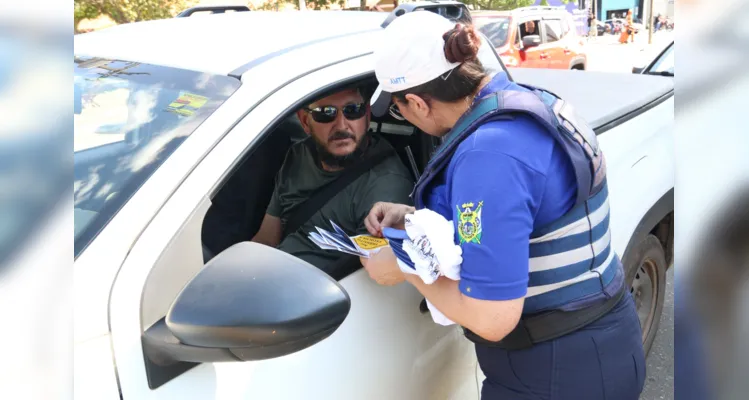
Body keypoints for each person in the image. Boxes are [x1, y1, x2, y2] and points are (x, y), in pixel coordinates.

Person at [361, 11, 645, 399]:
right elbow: (523, 214)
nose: (404, 116)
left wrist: (403, 267)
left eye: (399, 109)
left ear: (417, 102)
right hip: (597, 345)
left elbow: (491, 318)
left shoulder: (488, 156)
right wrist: (412, 215)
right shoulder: (525, 101)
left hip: (552, 372)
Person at [251, 87, 414, 279]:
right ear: (305, 121)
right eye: (325, 113)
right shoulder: (299, 154)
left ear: (367, 116)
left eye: (353, 110)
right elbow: (267, 238)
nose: (342, 125)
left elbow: (378, 274)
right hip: (269, 279)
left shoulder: (385, 187)